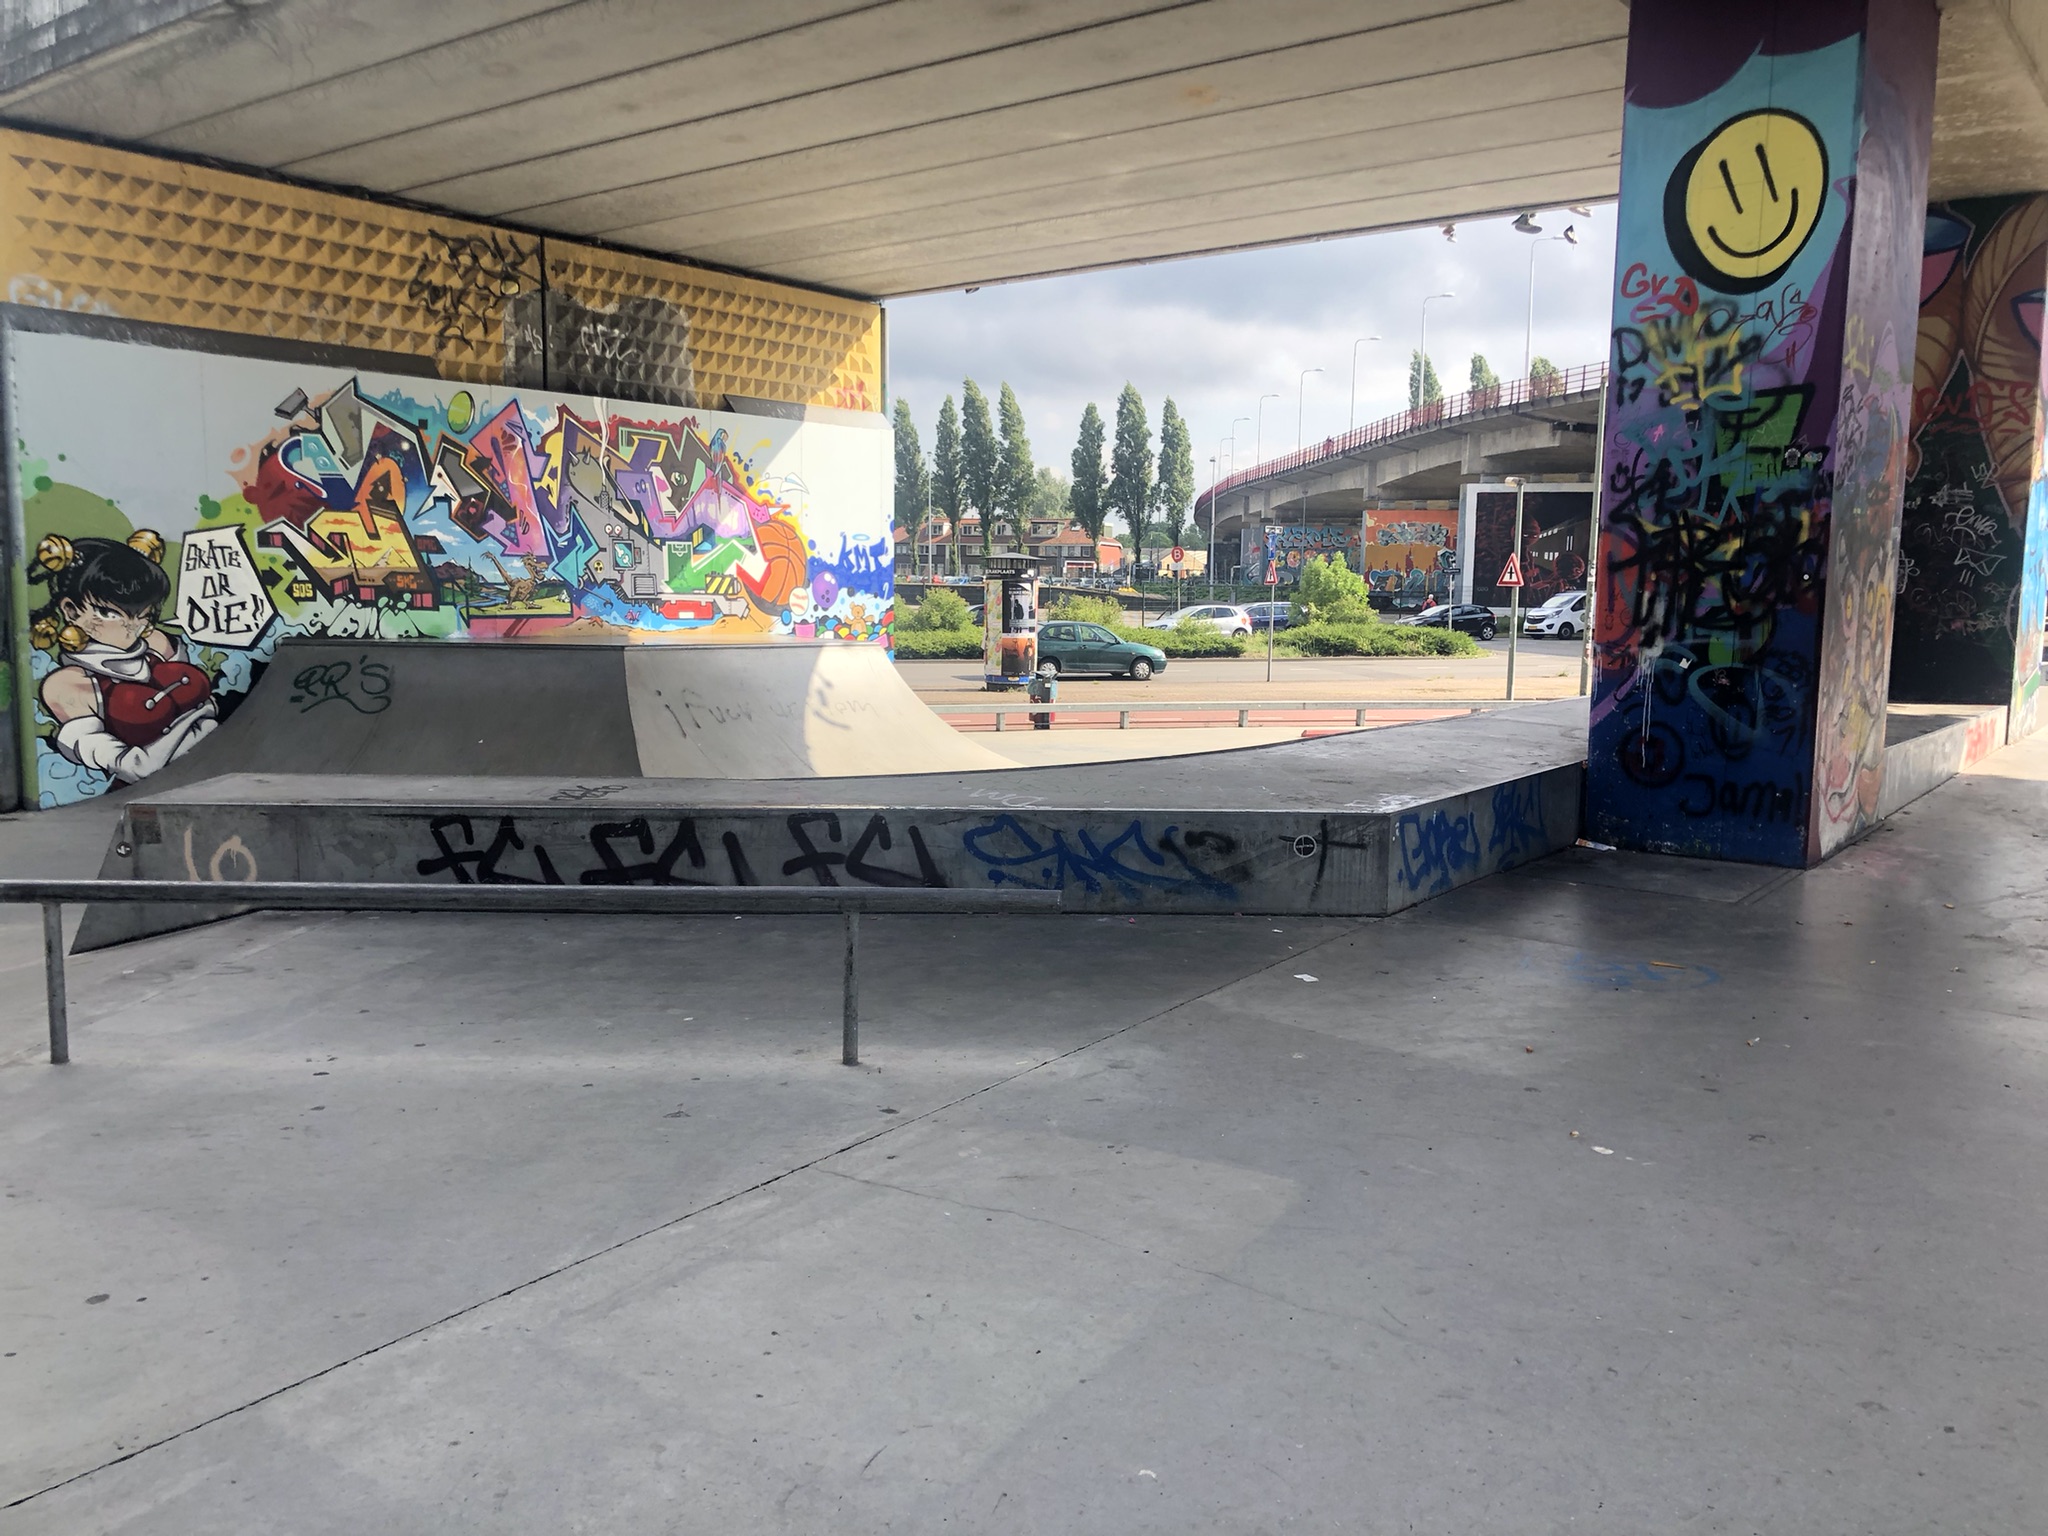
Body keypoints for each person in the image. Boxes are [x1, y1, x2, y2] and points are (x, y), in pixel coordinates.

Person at [29, 531, 218, 784]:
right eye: (109, 613)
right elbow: (135, 767)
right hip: (140, 795)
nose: (132, 626)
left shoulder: (157, 644)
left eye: (143, 614)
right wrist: (200, 723)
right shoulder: (69, 684)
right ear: (71, 611)